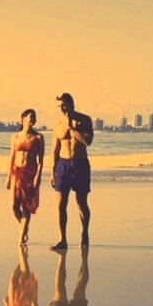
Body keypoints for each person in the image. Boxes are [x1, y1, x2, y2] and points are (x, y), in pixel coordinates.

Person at [49, 92, 93, 250]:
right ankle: (62, 239)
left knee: (81, 203)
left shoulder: (85, 120)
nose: (62, 108)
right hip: (63, 164)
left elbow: (88, 141)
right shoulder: (58, 124)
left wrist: (72, 128)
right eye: (60, 106)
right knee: (61, 204)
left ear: (71, 104)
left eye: (64, 105)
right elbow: (55, 149)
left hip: (80, 163)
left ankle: (85, 234)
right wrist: (52, 172)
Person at [6, 108, 45, 246]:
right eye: (31, 116)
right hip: (16, 172)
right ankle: (25, 227)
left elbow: (40, 160)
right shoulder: (15, 137)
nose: (33, 119)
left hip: (30, 173)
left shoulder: (38, 137)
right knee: (14, 206)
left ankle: (21, 238)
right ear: (22, 119)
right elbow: (11, 157)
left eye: (34, 117)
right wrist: (8, 176)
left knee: (26, 207)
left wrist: (38, 176)